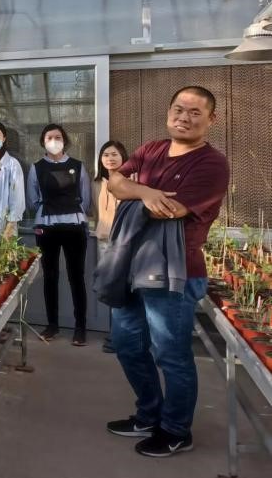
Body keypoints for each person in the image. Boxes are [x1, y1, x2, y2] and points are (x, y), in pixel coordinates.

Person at [106, 86, 229, 458]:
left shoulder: (212, 164)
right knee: (127, 345)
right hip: (132, 266)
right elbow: (114, 182)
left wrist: (134, 190)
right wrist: (146, 193)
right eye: (178, 109)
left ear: (211, 119)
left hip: (175, 272)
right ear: (168, 112)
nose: (184, 117)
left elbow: (172, 210)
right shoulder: (151, 149)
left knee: (171, 354)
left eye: (195, 112)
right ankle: (148, 415)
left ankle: (176, 429)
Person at [27, 123, 92, 345]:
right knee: (50, 276)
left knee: (77, 277)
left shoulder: (78, 166)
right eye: (49, 138)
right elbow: (32, 199)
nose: (53, 141)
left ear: (64, 140)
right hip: (46, 226)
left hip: (74, 225)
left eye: (57, 137)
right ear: (43, 142)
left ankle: (80, 328)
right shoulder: (36, 168)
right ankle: (52, 325)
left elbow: (85, 198)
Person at [92, 140, 129, 354]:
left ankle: (120, 335)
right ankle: (116, 333)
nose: (110, 158)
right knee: (111, 287)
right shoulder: (97, 183)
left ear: (123, 156)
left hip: (126, 241)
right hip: (104, 241)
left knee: (125, 288)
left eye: (114, 154)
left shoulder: (131, 181)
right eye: (106, 155)